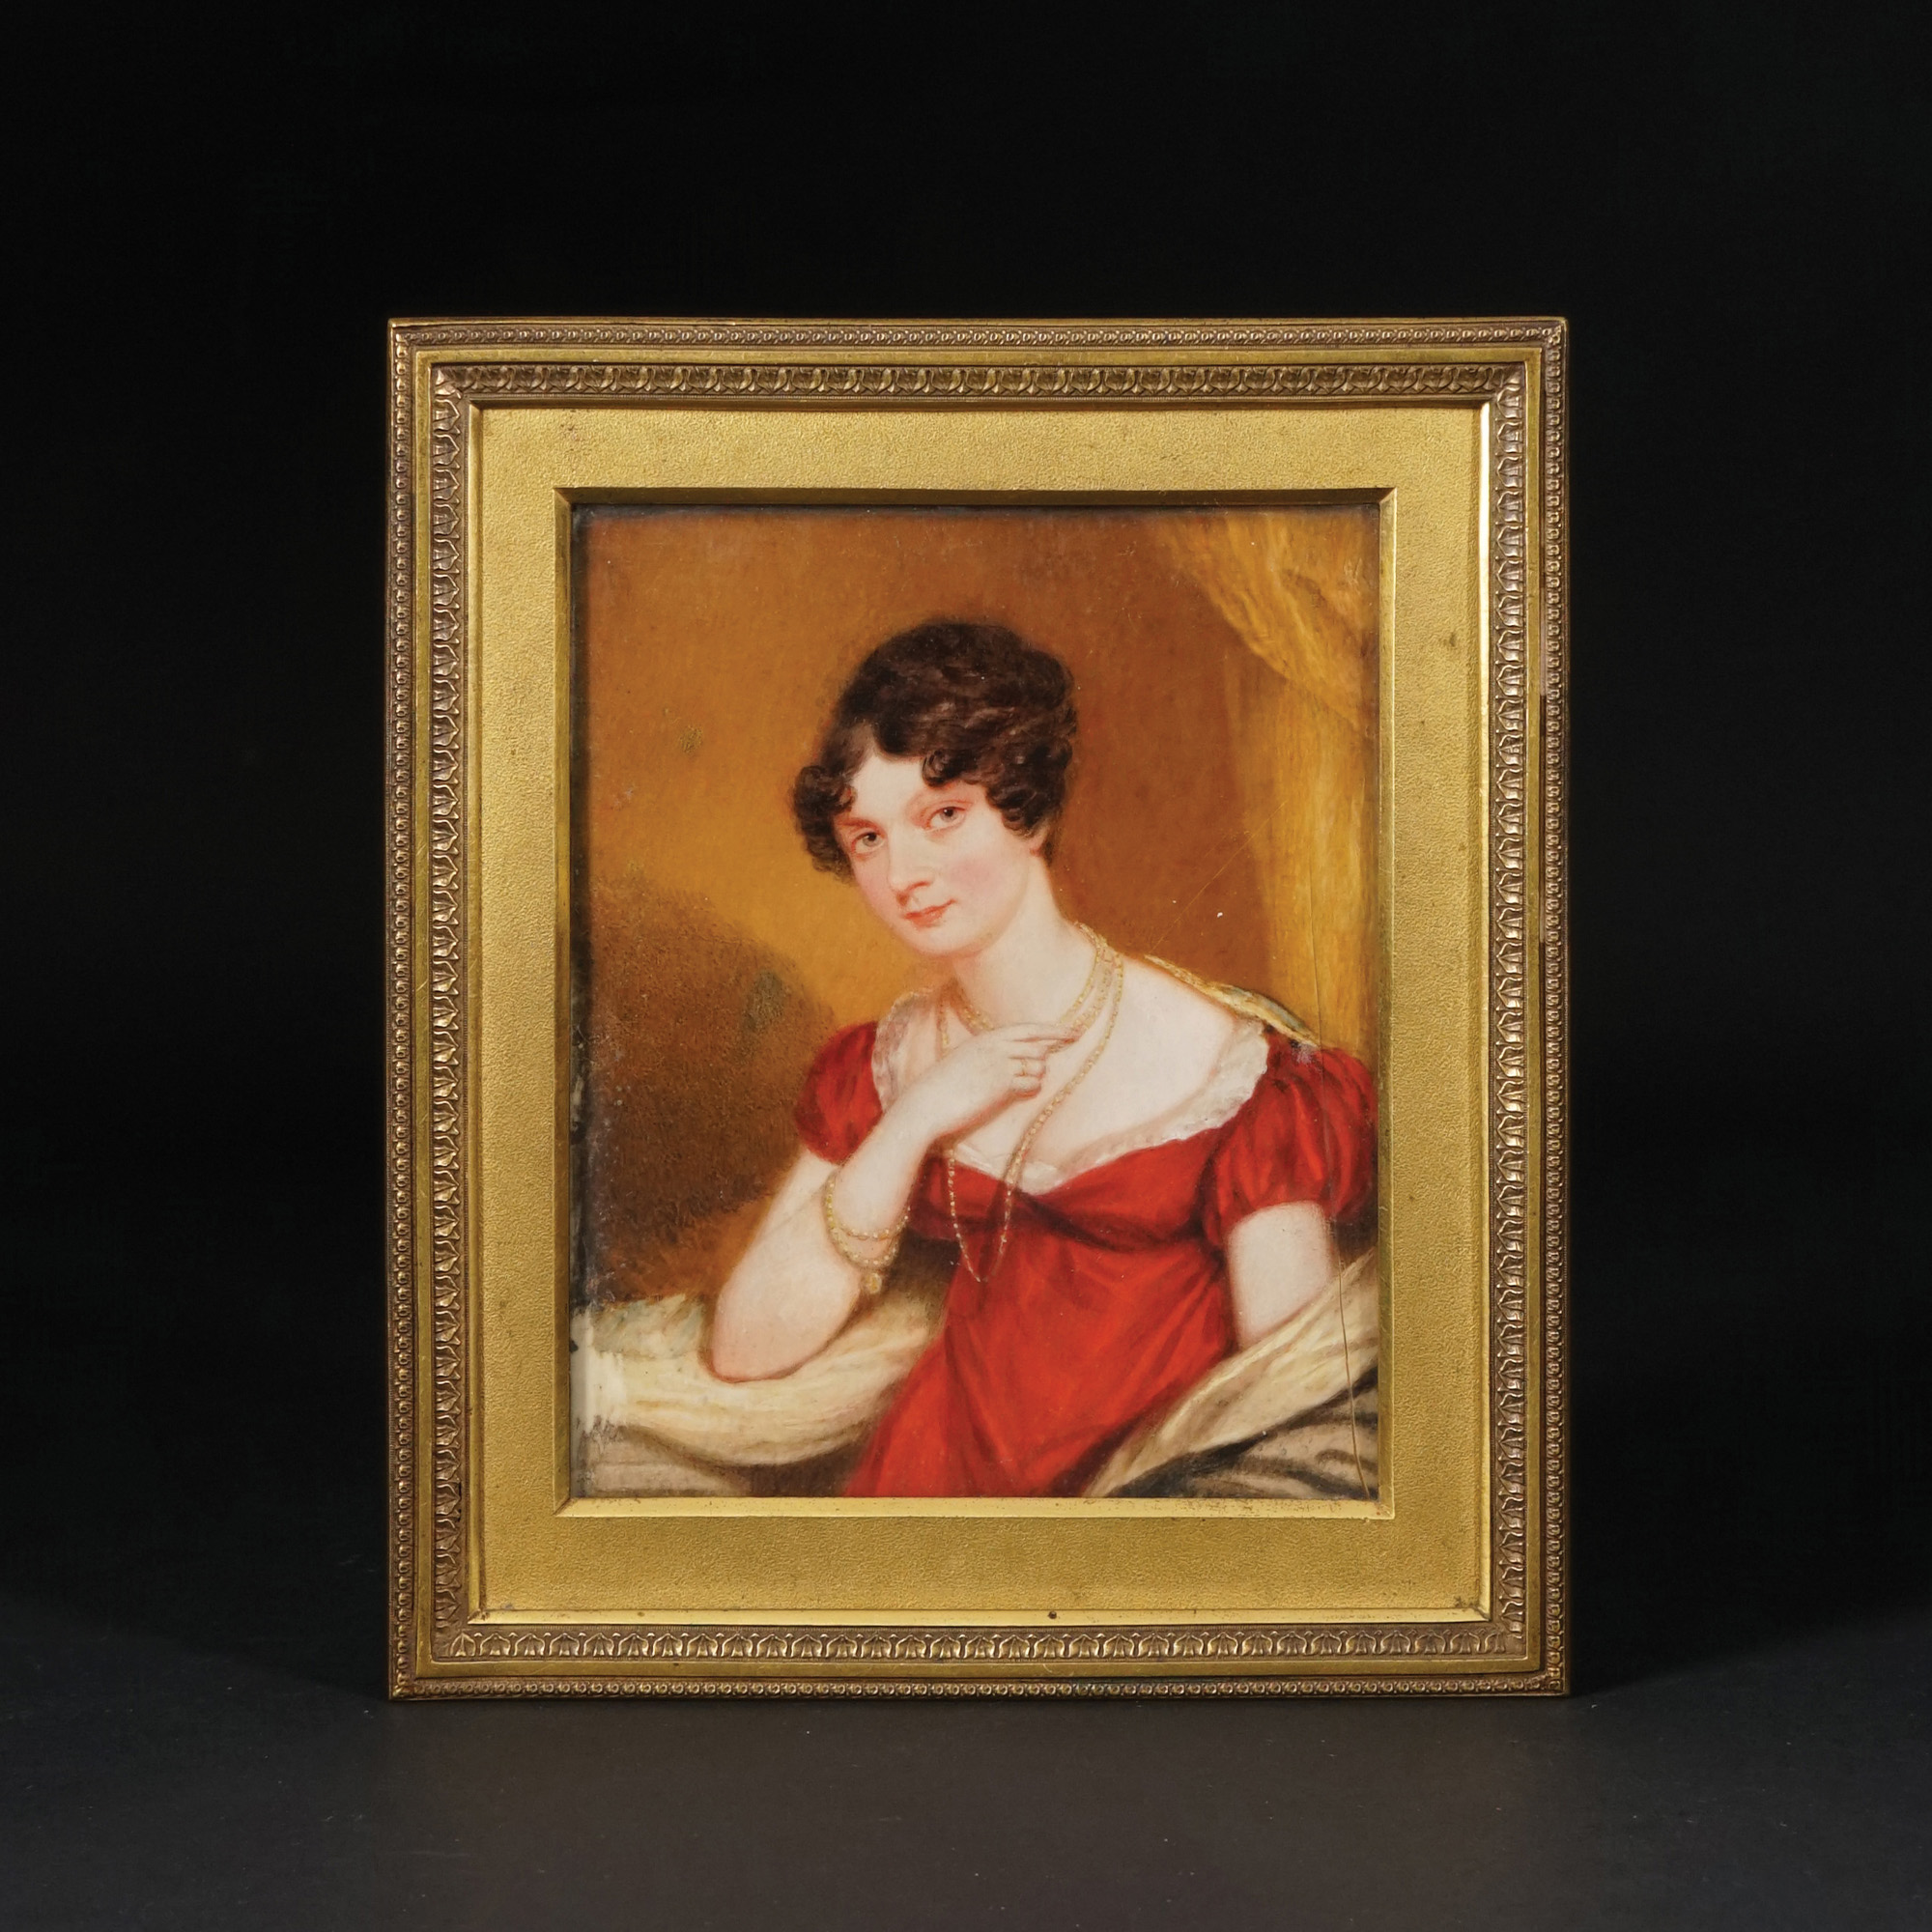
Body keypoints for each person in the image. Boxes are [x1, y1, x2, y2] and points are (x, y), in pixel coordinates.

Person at [709, 621, 1376, 1497]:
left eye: (943, 816)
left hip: (1149, 1513)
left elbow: (1294, 1404)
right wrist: (917, 1118)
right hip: (921, 1503)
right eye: (867, 837)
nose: (903, 873)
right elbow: (744, 1349)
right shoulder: (885, 1066)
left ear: (1030, 810)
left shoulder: (1242, 1075)